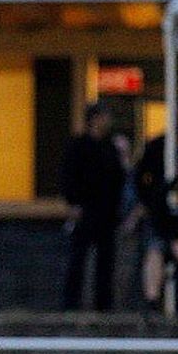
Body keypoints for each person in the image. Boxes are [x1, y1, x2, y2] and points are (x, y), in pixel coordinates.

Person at [62, 102, 127, 312]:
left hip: (107, 211)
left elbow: (119, 178)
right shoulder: (78, 145)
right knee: (78, 258)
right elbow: (68, 176)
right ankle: (71, 305)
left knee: (106, 260)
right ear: (95, 119)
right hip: (85, 210)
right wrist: (73, 203)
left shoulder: (111, 147)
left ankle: (104, 305)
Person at [135, 99, 178, 316]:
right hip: (171, 240)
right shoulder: (166, 191)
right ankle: (152, 304)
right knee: (154, 253)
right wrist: (174, 240)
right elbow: (161, 221)